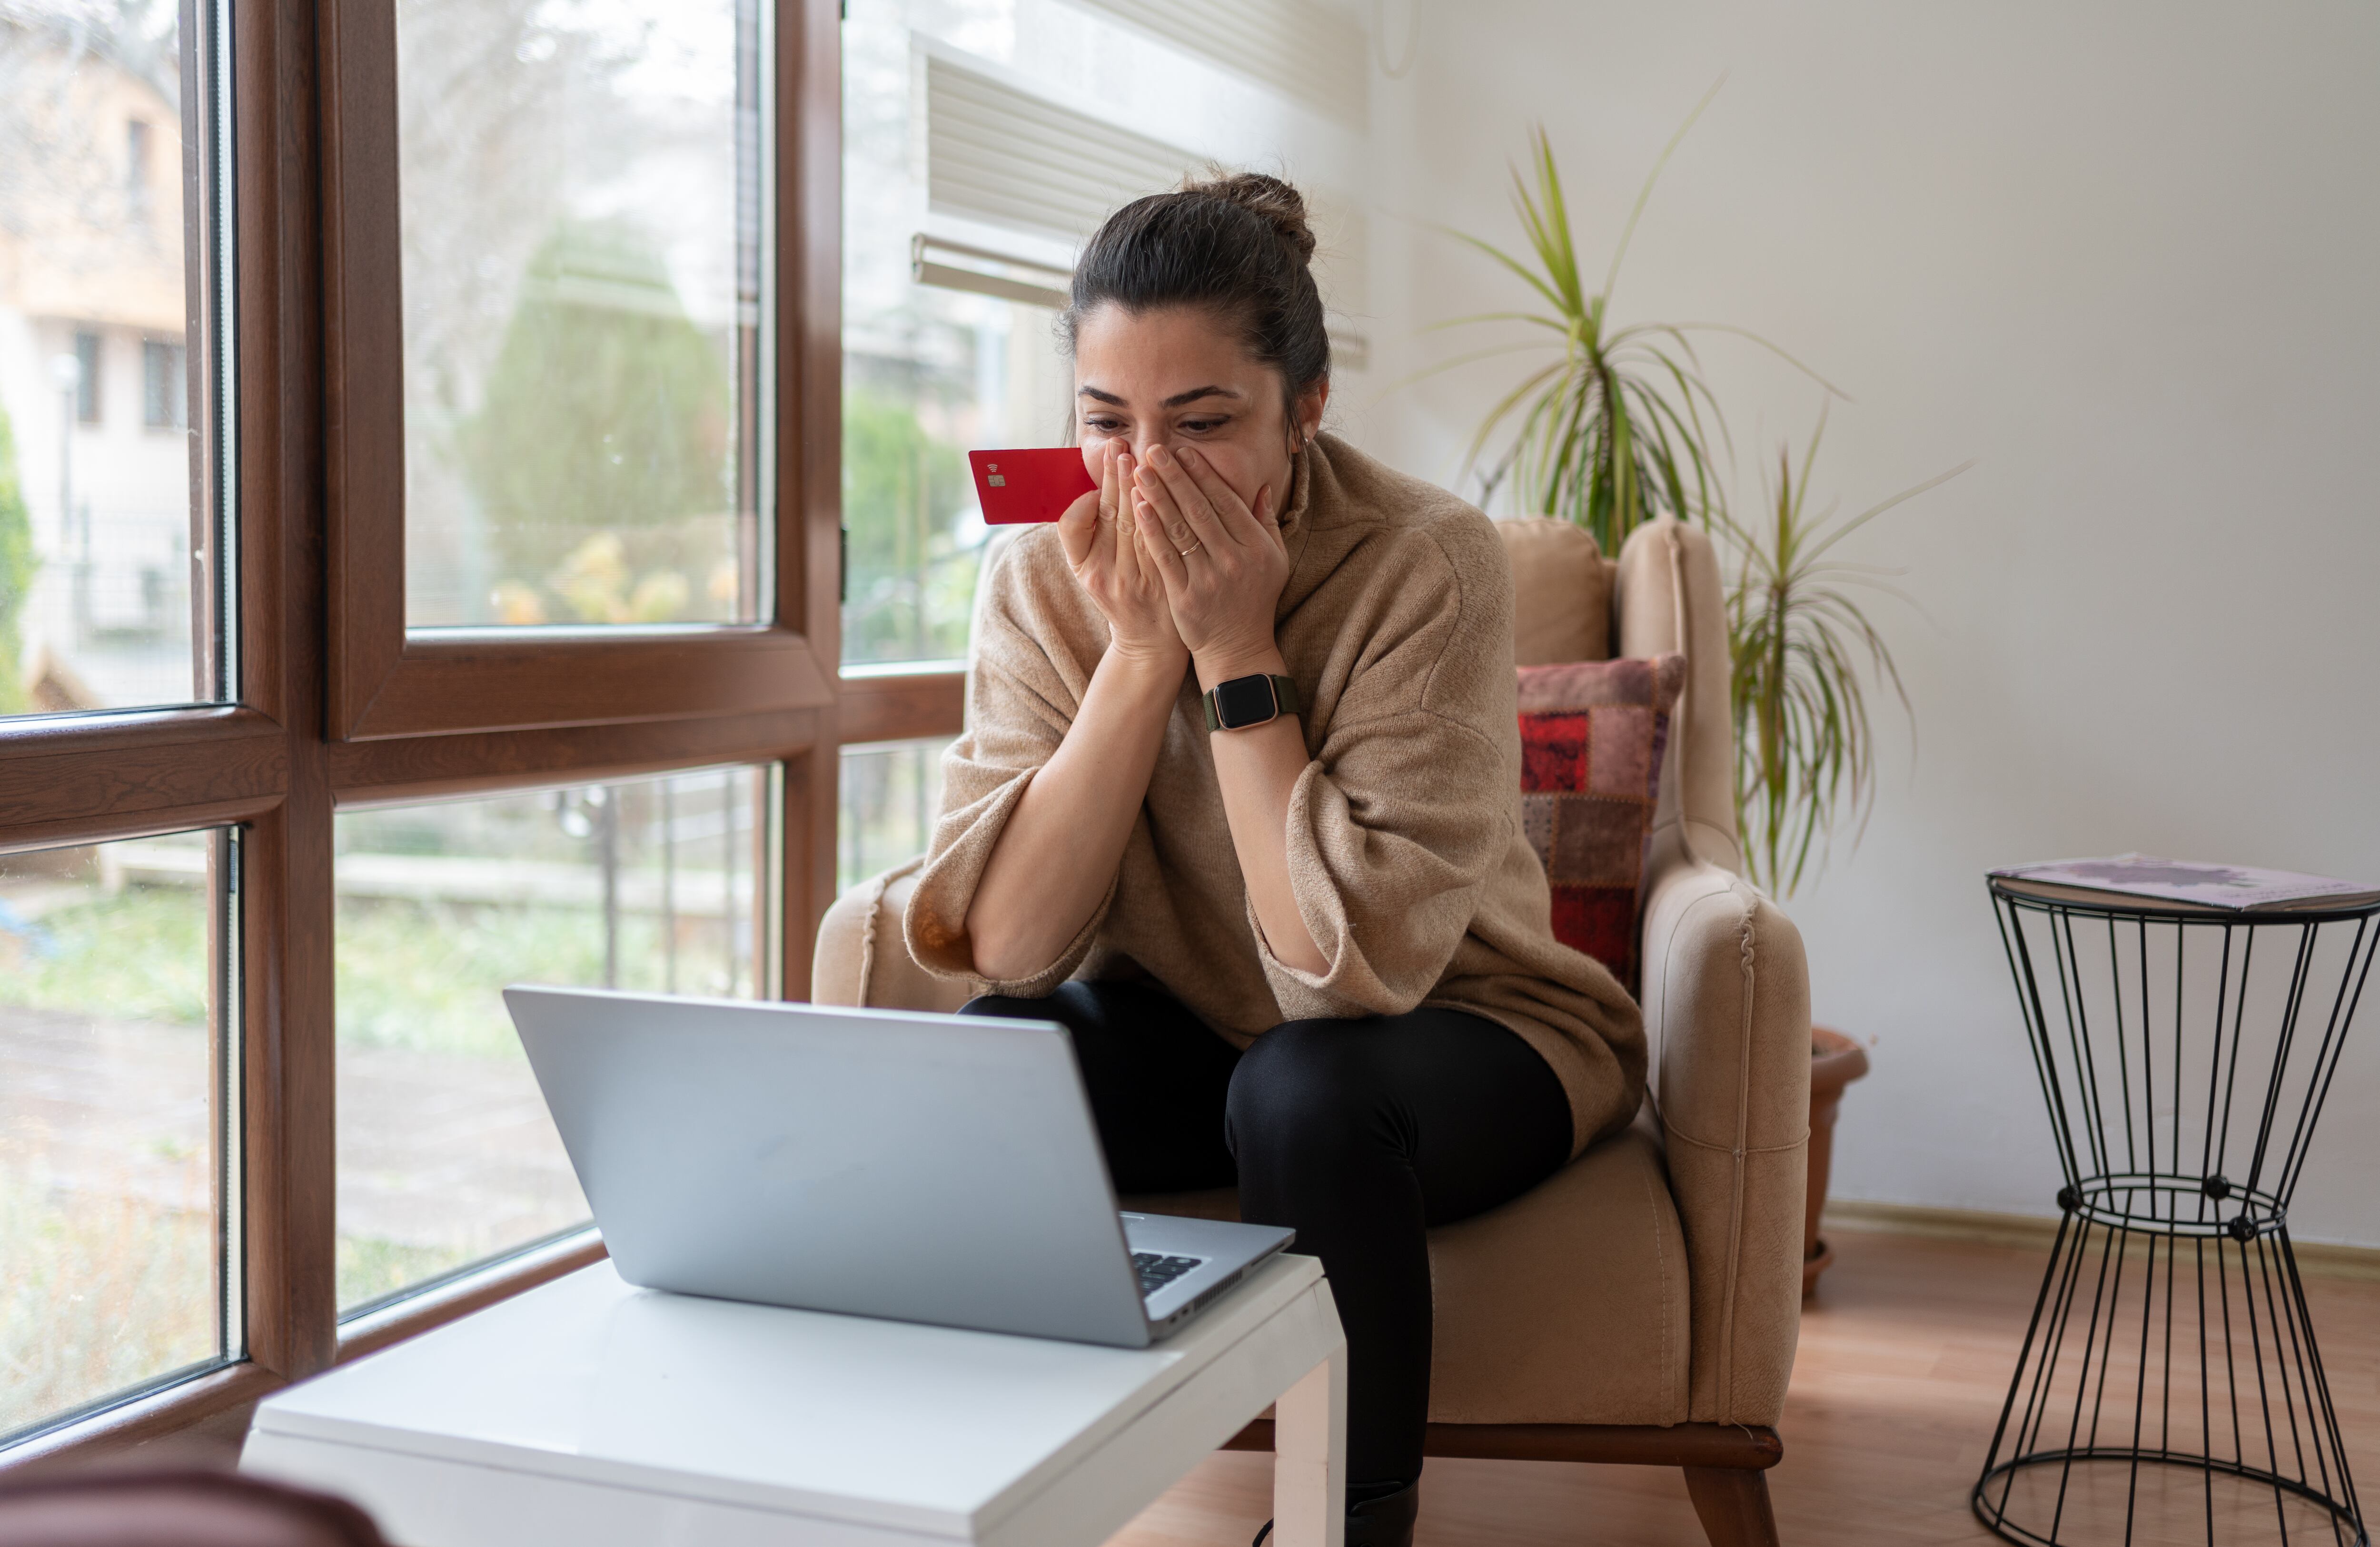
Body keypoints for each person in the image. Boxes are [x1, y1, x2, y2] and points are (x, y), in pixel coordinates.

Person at [903, 172, 1645, 1547]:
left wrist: (1239, 652)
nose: (1146, 474)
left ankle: (1345, 1530)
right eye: (1106, 424)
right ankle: (998, 1499)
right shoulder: (1038, 581)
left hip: (1467, 1023)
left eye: (1203, 425)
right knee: (997, 1058)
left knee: (1305, 1089)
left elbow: (1344, 975)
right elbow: (1007, 947)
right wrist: (1139, 656)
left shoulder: (1431, 562)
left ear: (1304, 408)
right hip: (1206, 1027)